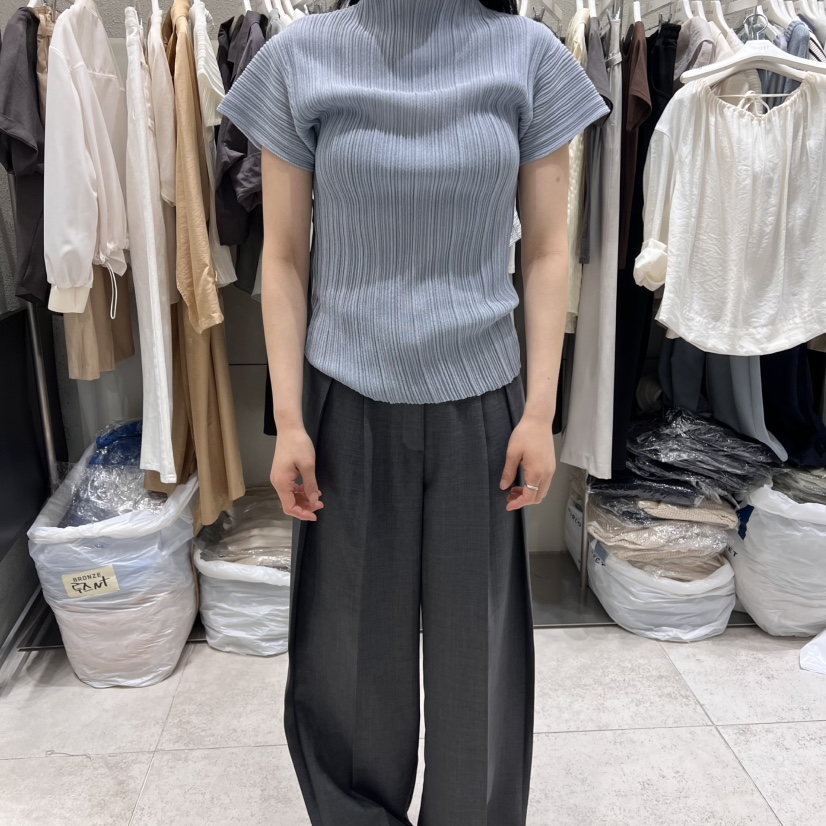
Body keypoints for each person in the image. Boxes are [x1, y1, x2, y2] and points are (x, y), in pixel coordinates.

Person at [218, 1, 606, 823]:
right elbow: (282, 258)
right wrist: (290, 419)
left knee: (478, 661)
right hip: (346, 402)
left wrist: (541, 412)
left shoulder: (529, 56)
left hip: (484, 408)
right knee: (348, 661)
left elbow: (546, 250)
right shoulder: (302, 56)